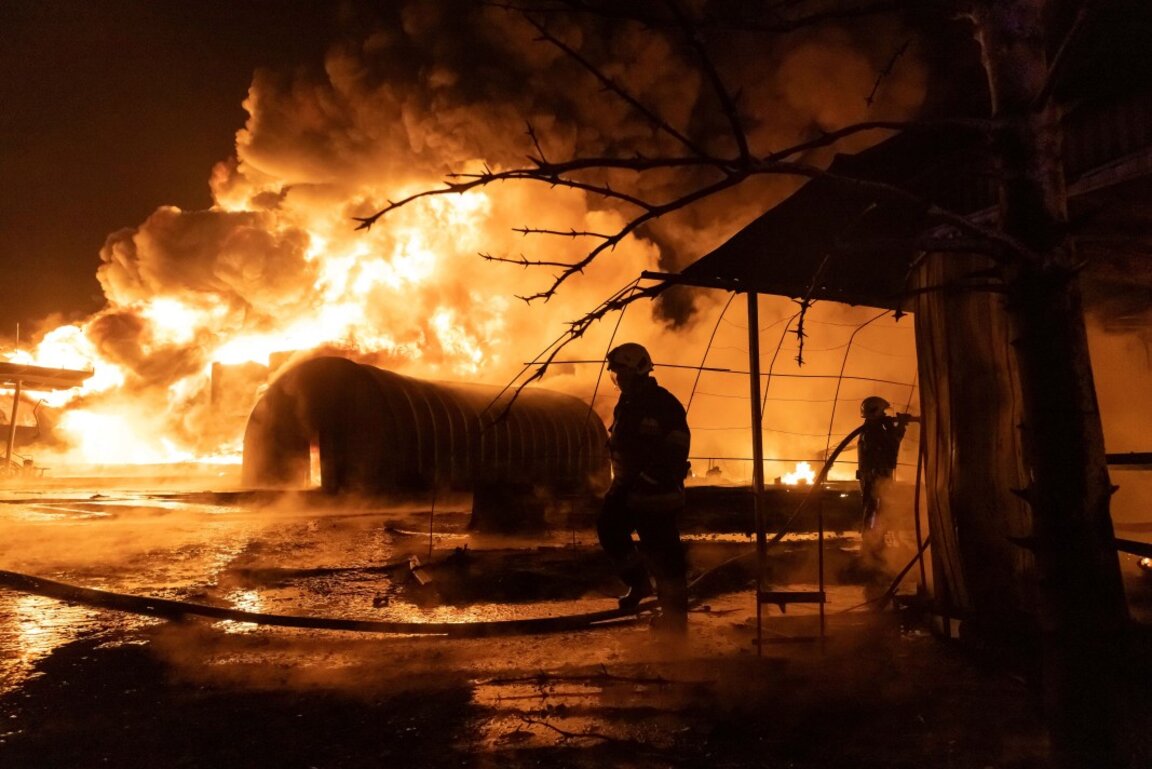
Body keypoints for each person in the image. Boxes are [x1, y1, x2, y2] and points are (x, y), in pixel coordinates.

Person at [598, 342, 691, 634]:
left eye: (622, 372)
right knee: (609, 528)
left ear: (639, 370)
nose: (618, 379)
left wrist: (650, 480)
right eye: (615, 374)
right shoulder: (625, 404)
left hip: (656, 493)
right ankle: (638, 583)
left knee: (663, 554)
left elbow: (676, 448)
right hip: (627, 488)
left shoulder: (664, 404)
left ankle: (675, 621)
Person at [856, 396, 910, 556]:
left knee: (875, 509)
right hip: (876, 477)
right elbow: (892, 447)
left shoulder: (871, 430)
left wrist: (893, 426)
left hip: (874, 476)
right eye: (883, 412)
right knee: (876, 509)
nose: (886, 415)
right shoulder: (874, 433)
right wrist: (899, 426)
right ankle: (873, 545)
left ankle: (874, 543)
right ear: (876, 412)